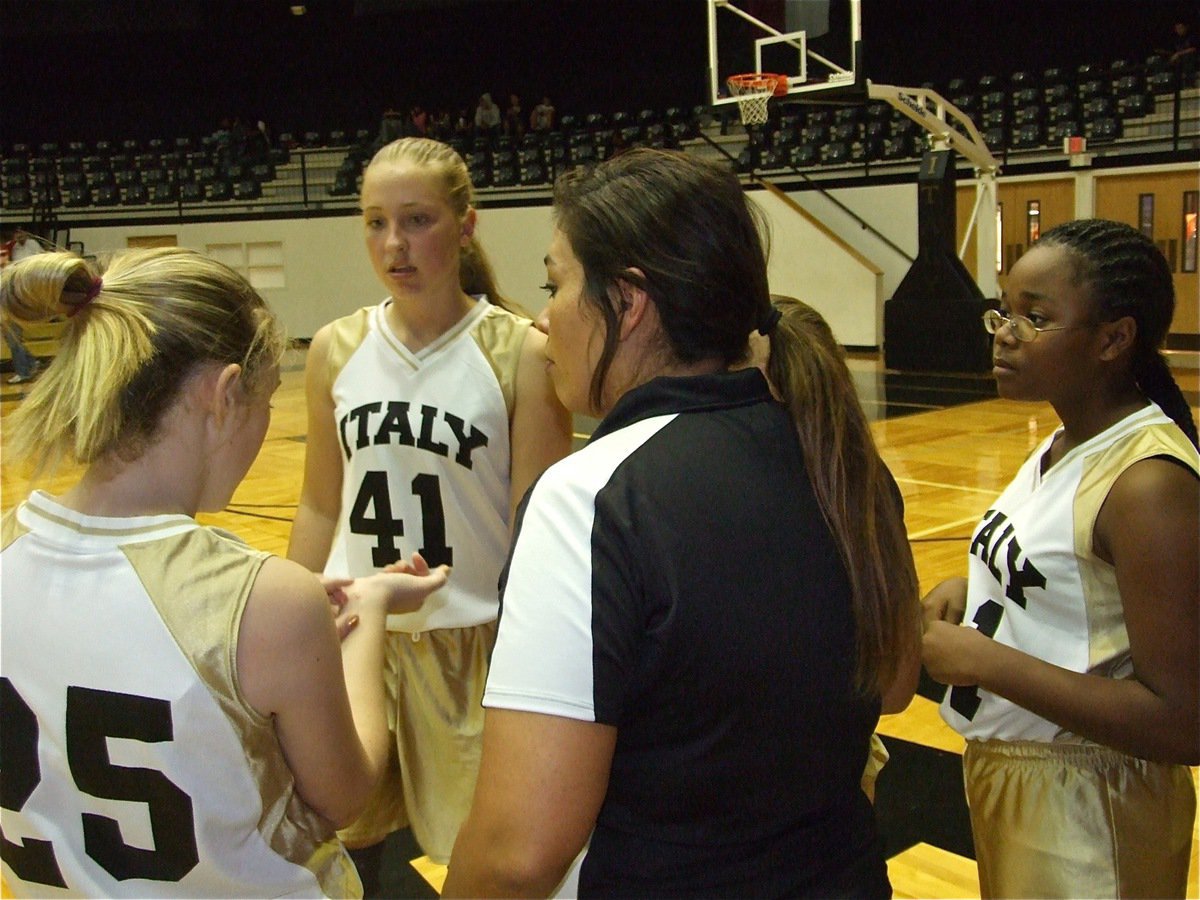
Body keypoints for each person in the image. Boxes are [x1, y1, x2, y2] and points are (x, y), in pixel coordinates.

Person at [443, 148, 921, 897]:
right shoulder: (846, 466)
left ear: (628, 302)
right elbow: (893, 689)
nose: (542, 317)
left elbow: (518, 850)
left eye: (556, 283)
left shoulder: (590, 499)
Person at [0, 247, 450, 898]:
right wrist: (371, 607)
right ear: (226, 393)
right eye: (265, 399)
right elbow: (346, 795)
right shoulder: (270, 600)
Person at [287, 136, 571, 889]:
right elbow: (321, 499)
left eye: (416, 220)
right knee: (342, 848)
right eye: (375, 222)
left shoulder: (521, 352)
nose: (393, 244)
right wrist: (287, 611)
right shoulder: (334, 349)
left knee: (490, 866)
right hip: (356, 637)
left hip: (470, 644)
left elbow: (535, 524)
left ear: (466, 225)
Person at [921, 218, 1198, 898]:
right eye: (1004, 312)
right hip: (1024, 775)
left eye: (1035, 318)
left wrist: (988, 662)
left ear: (1113, 338)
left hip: (1091, 796)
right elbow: (1078, 591)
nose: (1005, 333)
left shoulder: (1149, 482)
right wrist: (979, 585)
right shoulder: (1063, 443)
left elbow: (1184, 719)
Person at [2, 229, 43, 384]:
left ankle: (23, 371)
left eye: (3, 254)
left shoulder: (12, 272)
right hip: (5, 311)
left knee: (14, 342)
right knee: (13, 341)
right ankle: (31, 362)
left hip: (13, 310)